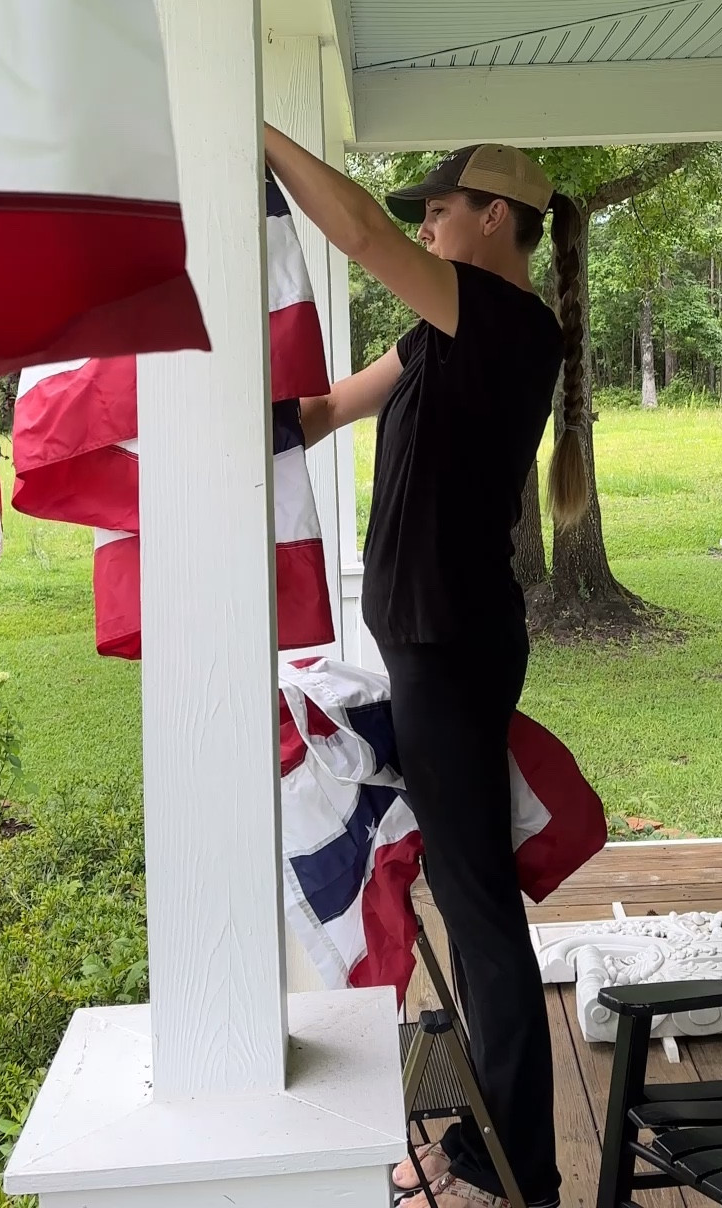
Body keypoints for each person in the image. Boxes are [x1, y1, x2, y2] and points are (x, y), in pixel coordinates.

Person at [263, 129, 588, 1208]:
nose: (422, 226)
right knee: (466, 890)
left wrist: (255, 133)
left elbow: (355, 229)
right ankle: (491, 1146)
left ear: (494, 216)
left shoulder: (502, 319)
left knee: (480, 906)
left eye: (439, 211)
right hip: (432, 642)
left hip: (451, 642)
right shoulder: (442, 332)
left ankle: (518, 1169)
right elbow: (323, 410)